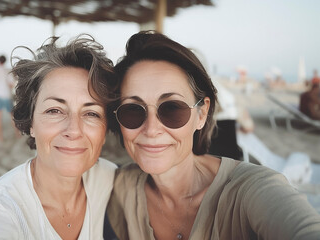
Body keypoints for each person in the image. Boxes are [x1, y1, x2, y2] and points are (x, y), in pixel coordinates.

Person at [107, 31, 320, 240]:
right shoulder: (121, 187)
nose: (151, 129)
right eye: (133, 110)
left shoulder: (250, 190)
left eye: (172, 108)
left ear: (201, 114)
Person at [0, 35, 118, 239]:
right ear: (31, 123)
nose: (74, 130)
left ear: (105, 130)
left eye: (91, 113)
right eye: (55, 110)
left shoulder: (115, 181)